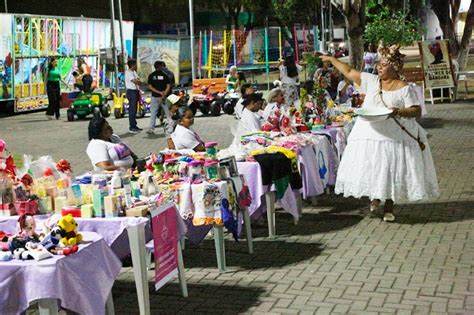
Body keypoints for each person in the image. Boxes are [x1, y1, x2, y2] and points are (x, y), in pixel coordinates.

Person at [320, 43, 439, 222]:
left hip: (394, 137)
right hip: (369, 133)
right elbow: (349, 71)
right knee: (373, 166)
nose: (379, 68)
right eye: (379, 64)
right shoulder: (371, 81)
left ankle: (388, 207)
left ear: (394, 68)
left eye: (383, 65)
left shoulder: (404, 88)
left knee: (391, 169)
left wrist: (398, 112)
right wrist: (331, 59)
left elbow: (416, 111)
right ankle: (374, 199)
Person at [147, 61, 170, 134]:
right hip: (164, 97)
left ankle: (151, 128)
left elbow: (150, 86)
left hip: (154, 97)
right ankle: (170, 127)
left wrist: (158, 92)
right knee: (167, 113)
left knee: (153, 113)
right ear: (160, 67)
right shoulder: (165, 75)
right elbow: (168, 86)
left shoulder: (151, 75)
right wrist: (163, 94)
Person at [125, 59, 142, 133]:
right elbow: (136, 81)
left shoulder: (134, 72)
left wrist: (139, 81)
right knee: (132, 109)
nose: (136, 66)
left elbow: (138, 80)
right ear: (133, 65)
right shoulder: (128, 72)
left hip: (135, 91)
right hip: (131, 92)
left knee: (135, 109)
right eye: (135, 64)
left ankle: (134, 125)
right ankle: (132, 127)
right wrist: (138, 81)